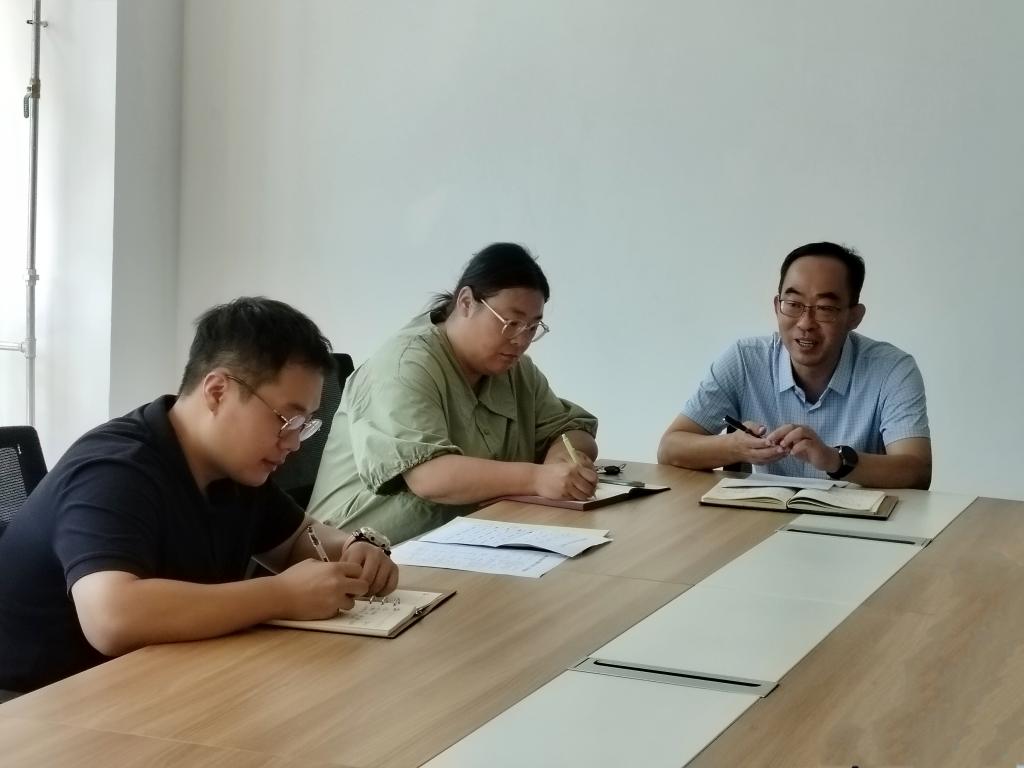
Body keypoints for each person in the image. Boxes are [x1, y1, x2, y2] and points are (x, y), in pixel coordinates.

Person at [0, 297, 398, 694]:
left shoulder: (234, 466)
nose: (294, 442)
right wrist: (281, 595)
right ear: (218, 391)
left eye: (304, 424)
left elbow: (296, 538)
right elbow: (111, 618)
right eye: (287, 420)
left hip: (153, 680)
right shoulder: (115, 470)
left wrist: (354, 547)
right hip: (40, 702)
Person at [308, 242, 599, 544]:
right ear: (466, 302)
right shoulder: (403, 365)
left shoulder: (516, 370)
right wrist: (538, 478)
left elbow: (571, 429)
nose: (521, 340)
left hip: (468, 541)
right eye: (511, 323)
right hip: (360, 550)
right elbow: (428, 478)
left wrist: (562, 462)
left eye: (532, 327)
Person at [658, 242, 931, 489]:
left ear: (854, 317)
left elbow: (917, 471)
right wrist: (733, 447)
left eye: (825, 308)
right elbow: (670, 448)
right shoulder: (745, 360)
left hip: (857, 522)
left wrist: (834, 460)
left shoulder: (892, 369)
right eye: (793, 304)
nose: (805, 323)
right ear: (777, 306)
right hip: (765, 518)